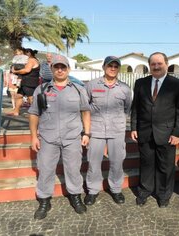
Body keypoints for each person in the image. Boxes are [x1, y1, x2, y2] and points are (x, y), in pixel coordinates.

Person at [28, 55, 91, 220]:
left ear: (68, 69)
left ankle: (75, 196)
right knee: (46, 170)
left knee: (73, 169)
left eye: (63, 67)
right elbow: (34, 114)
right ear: (52, 69)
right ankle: (44, 200)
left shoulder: (79, 89)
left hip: (72, 137)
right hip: (48, 138)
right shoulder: (41, 90)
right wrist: (34, 136)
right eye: (57, 67)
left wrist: (87, 133)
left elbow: (85, 111)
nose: (60, 70)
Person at [131, 52, 179, 208]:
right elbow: (135, 107)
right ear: (149, 66)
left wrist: (177, 133)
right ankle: (144, 191)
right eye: (153, 64)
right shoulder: (140, 83)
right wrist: (133, 127)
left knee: (165, 166)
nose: (156, 66)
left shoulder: (178, 84)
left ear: (166, 65)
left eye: (159, 63)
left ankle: (163, 195)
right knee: (146, 163)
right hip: (144, 131)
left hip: (167, 133)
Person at [84, 56, 132, 205]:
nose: (112, 68)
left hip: (116, 130)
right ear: (104, 67)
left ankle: (116, 189)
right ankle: (92, 190)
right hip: (96, 130)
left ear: (118, 69)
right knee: (93, 162)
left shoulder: (124, 88)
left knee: (117, 162)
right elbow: (85, 107)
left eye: (115, 66)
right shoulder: (91, 85)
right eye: (110, 65)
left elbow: (127, 108)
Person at [11, 48, 40, 116]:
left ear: (28, 53)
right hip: (24, 82)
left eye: (23, 54)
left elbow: (27, 70)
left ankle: (35, 114)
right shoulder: (26, 60)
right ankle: (16, 111)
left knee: (31, 98)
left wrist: (15, 71)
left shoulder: (31, 60)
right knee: (18, 96)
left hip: (30, 82)